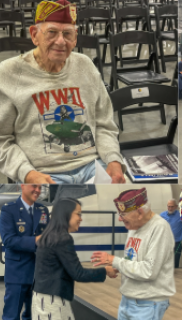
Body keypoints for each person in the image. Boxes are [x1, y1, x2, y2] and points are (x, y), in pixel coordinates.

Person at [0, 0, 126, 184]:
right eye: (52, 32)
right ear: (34, 35)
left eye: (67, 34)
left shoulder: (85, 66)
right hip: (42, 173)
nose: (61, 41)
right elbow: (2, 139)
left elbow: (104, 124)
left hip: (93, 166)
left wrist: (114, 160)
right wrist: (27, 174)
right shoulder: (8, 73)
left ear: (75, 38)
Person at [90, 189, 176, 320]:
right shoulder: (134, 225)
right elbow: (133, 260)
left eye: (123, 214)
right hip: (127, 299)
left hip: (147, 304)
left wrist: (115, 261)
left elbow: (149, 271)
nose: (119, 218)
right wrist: (117, 267)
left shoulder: (160, 228)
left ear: (140, 213)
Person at [32, 198, 112, 320]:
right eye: (78, 214)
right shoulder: (63, 239)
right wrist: (105, 271)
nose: (81, 219)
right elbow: (78, 273)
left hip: (40, 297)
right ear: (66, 213)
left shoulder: (48, 235)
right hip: (54, 300)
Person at [1, 185, 48, 320]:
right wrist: (35, 240)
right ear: (23, 185)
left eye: (40, 187)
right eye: (34, 186)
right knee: (11, 318)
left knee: (33, 318)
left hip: (38, 273)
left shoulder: (42, 210)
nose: (38, 190)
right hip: (17, 272)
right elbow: (8, 240)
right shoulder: (9, 209)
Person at [160, 199, 182, 269]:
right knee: (163, 261)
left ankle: (176, 279)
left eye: (172, 206)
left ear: (176, 206)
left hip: (177, 243)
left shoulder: (181, 215)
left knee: (175, 262)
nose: (170, 208)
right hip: (165, 242)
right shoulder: (162, 215)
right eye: (168, 206)